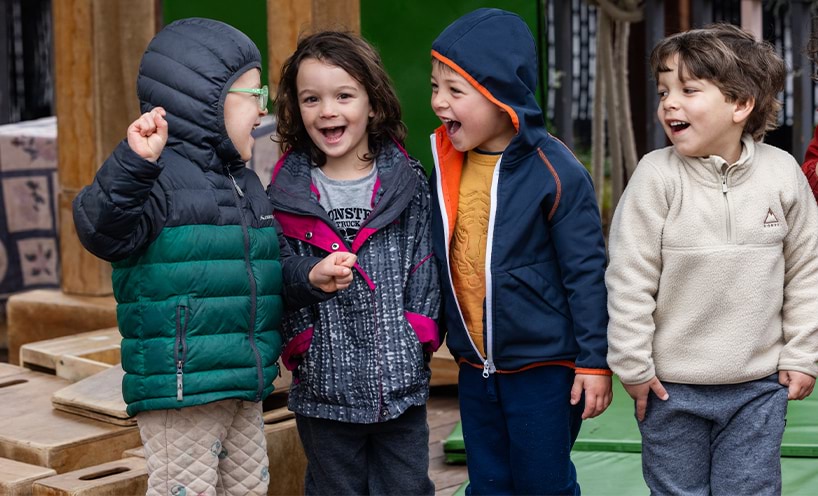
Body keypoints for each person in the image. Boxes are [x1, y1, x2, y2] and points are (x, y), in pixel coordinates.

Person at [72, 18, 356, 496]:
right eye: (253, 95)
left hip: (244, 381)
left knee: (248, 488)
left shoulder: (244, 184)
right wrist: (135, 163)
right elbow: (101, 229)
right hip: (183, 389)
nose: (263, 110)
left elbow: (266, 270)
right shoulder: (154, 177)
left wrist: (310, 275)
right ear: (204, 100)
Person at [606, 23, 818, 495]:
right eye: (664, 91)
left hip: (758, 386)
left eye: (688, 90)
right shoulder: (655, 176)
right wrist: (633, 364)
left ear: (740, 104)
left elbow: (807, 272)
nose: (669, 103)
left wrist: (802, 354)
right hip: (670, 389)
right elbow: (629, 277)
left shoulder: (782, 174)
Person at [429, 8, 612, 495]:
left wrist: (594, 362)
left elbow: (586, 274)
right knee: (487, 483)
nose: (439, 102)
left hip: (544, 369)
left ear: (499, 95)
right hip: (476, 366)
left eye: (455, 90)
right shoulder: (445, 167)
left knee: (542, 483)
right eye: (435, 87)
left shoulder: (556, 172)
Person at [269, 31, 440, 495]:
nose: (327, 110)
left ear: (374, 104)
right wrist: (301, 340)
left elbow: (424, 264)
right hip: (324, 386)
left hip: (399, 381)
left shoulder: (407, 185)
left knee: (406, 487)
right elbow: (278, 272)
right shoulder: (285, 195)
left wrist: (417, 333)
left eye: (344, 96)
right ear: (295, 108)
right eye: (311, 99)